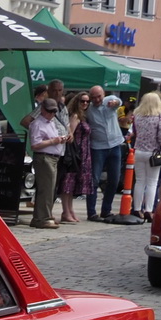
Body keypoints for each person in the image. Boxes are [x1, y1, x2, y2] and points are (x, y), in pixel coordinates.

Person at [129, 90, 161, 223]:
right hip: (154, 152)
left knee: (140, 181)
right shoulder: (159, 117)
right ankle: (148, 210)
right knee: (152, 183)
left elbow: (134, 132)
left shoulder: (137, 116)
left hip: (139, 151)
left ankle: (136, 208)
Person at [86, 87, 126, 220]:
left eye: (99, 96)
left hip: (115, 144)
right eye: (94, 97)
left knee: (114, 179)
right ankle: (91, 212)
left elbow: (118, 101)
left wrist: (115, 103)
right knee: (94, 179)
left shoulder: (109, 102)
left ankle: (106, 210)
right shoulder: (89, 109)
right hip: (98, 147)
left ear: (103, 95)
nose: (97, 100)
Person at [29, 98, 67, 228]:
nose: (52, 114)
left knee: (49, 188)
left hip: (53, 157)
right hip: (44, 158)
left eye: (54, 111)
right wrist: (53, 141)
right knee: (46, 189)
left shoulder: (51, 122)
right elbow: (35, 144)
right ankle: (43, 218)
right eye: (49, 111)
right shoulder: (37, 124)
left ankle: (44, 216)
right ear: (43, 110)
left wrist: (60, 140)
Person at [59, 91, 94, 224]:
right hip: (76, 153)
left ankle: (70, 210)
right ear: (76, 101)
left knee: (73, 184)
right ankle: (66, 211)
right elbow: (70, 135)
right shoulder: (74, 116)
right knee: (68, 182)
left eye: (87, 101)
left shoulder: (82, 116)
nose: (85, 103)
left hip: (83, 153)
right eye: (82, 101)